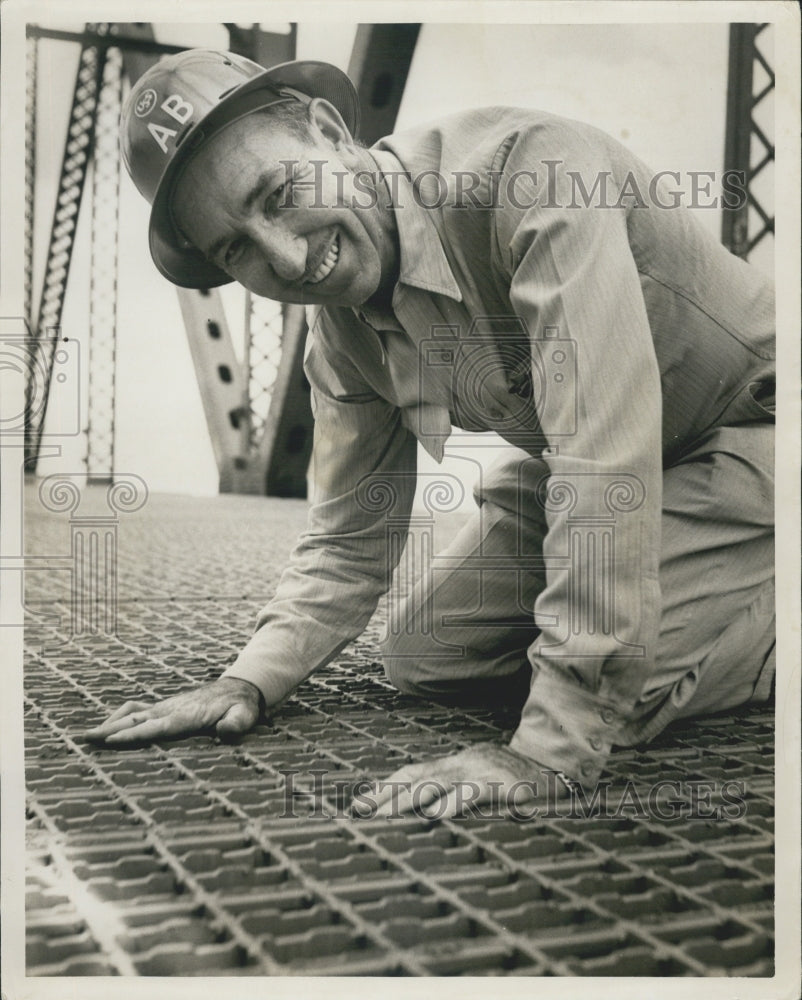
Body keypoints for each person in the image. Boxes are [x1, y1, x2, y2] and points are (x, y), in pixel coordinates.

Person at [87, 49, 775, 819]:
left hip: (755, 432)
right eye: (236, 249)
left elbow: (602, 465)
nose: (286, 257)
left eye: (280, 193)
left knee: (627, 686)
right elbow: (350, 537)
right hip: (633, 466)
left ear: (330, 132)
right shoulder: (343, 334)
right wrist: (247, 678)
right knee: (427, 654)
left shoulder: (534, 178)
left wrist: (547, 748)